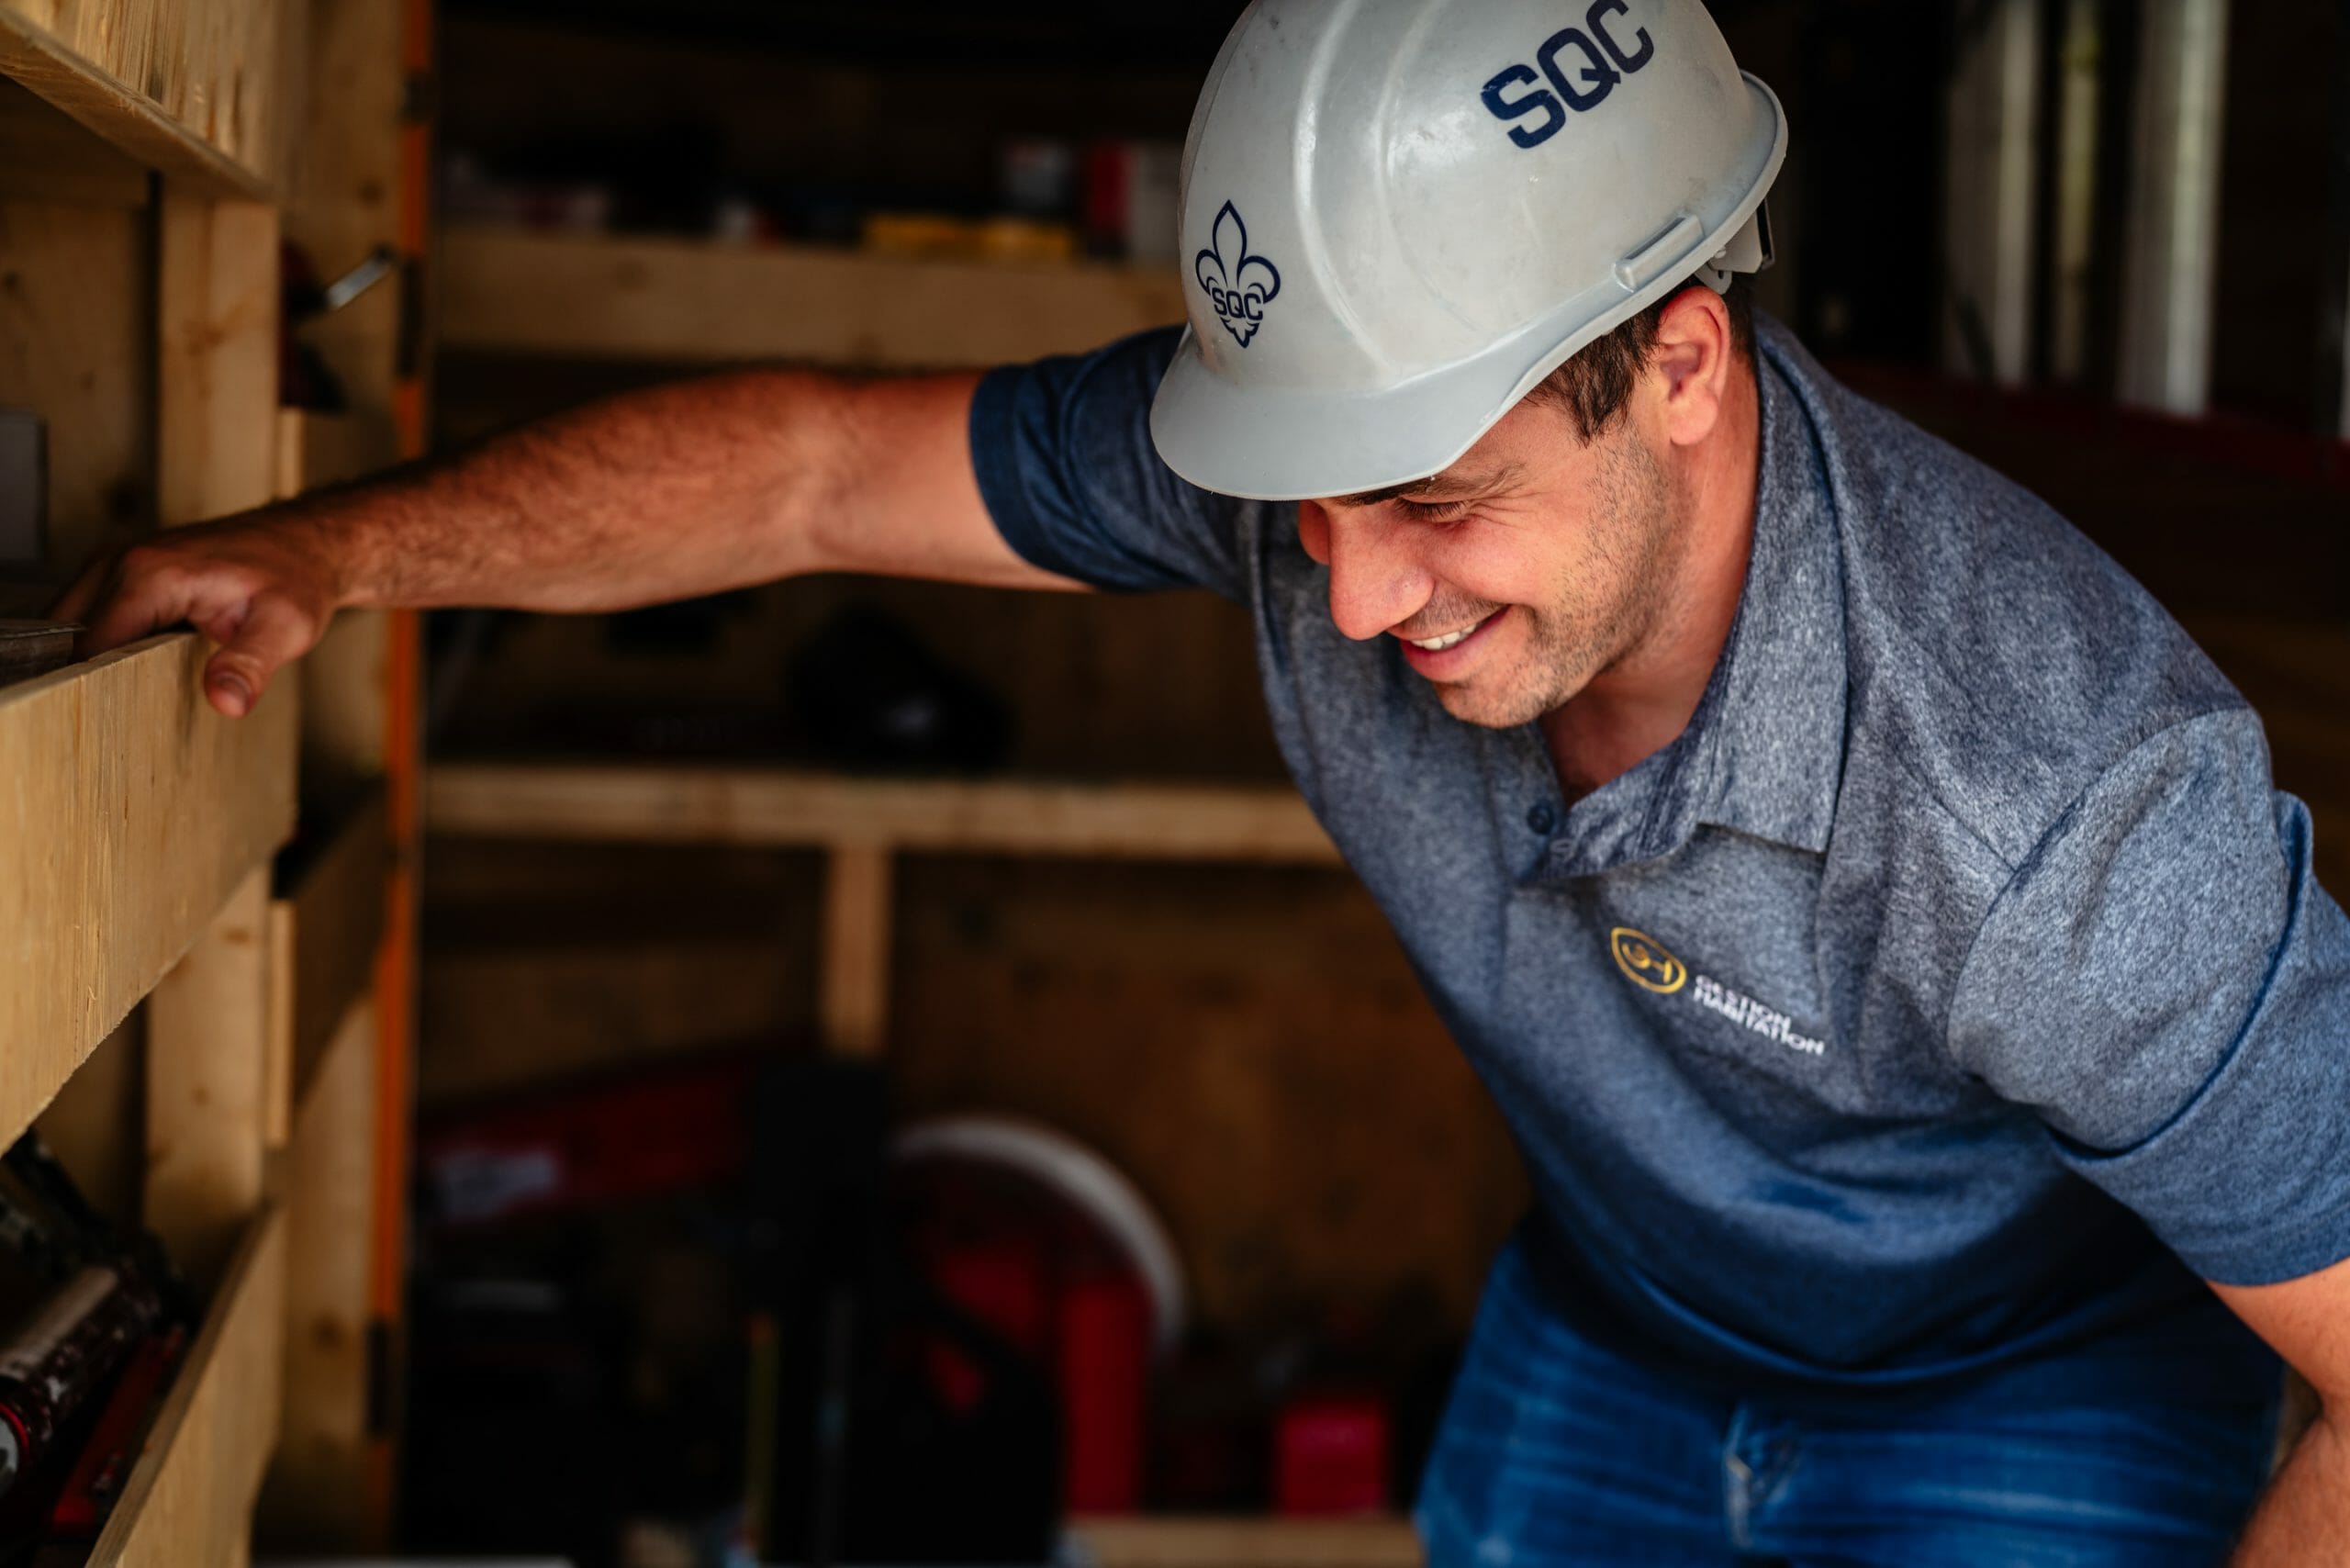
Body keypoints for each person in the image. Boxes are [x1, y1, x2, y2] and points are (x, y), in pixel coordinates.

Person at [56, 2, 2349, 1562]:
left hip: (2030, 1395)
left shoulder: (2059, 804)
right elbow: (812, 470)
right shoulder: (1319, 487)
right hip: (1620, 1326)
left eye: (1433, 504)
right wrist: (335, 549)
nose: (1343, 602)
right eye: (1305, 509)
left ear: (1676, 361)